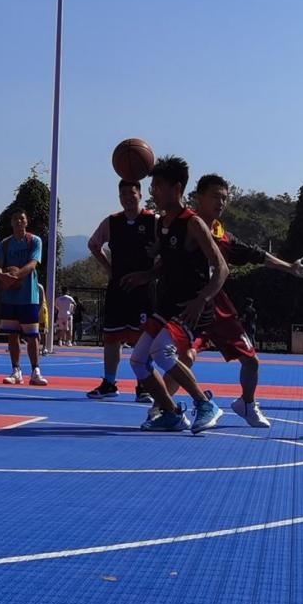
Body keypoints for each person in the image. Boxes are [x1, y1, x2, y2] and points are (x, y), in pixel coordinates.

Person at [191, 173, 303, 427]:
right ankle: (169, 407)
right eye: (215, 197)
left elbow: (257, 254)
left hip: (217, 306)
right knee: (183, 357)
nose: (221, 202)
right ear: (198, 197)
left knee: (252, 361)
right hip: (189, 303)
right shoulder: (183, 226)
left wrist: (289, 267)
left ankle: (246, 403)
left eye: (224, 198)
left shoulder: (223, 236)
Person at [121, 155, 227, 434]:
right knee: (137, 360)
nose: (153, 191)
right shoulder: (162, 223)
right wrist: (146, 275)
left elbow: (222, 268)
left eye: (158, 185)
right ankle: (171, 413)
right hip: (168, 305)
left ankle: (206, 404)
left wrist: (202, 300)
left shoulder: (193, 223)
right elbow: (167, 264)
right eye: (153, 185)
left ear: (176, 188)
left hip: (191, 305)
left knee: (161, 352)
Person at [86, 179, 158, 400]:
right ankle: (109, 383)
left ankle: (144, 386)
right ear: (119, 197)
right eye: (123, 194)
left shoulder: (153, 221)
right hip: (118, 289)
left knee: (143, 339)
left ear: (140, 195)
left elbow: (167, 249)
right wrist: (109, 269)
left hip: (143, 290)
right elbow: (93, 244)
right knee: (111, 337)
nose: (127, 197)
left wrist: (152, 271)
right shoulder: (112, 222)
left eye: (131, 193)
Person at [0, 212, 47, 385]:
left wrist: (16, 276)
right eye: (15, 218)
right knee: (12, 335)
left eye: (22, 218)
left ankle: (35, 371)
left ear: (27, 221)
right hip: (9, 297)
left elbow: (33, 264)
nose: (18, 221)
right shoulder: (4, 244)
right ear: (11, 222)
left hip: (29, 296)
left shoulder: (34, 241)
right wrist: (3, 276)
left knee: (32, 335)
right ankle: (16, 371)